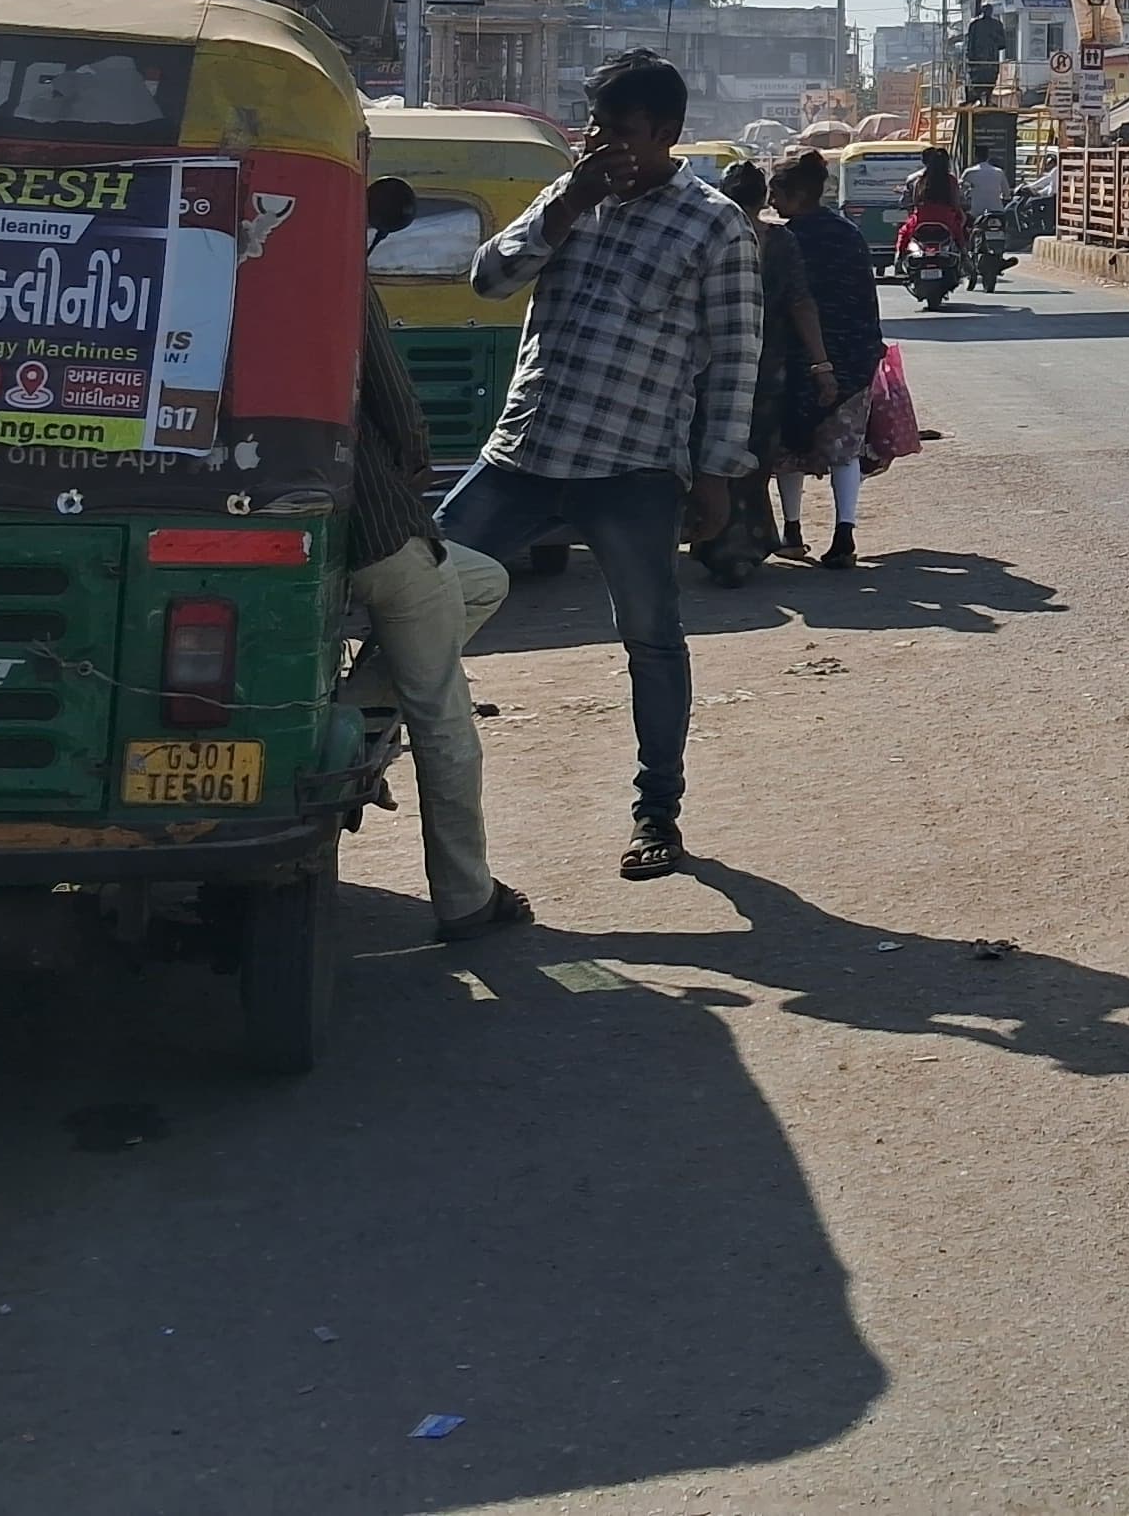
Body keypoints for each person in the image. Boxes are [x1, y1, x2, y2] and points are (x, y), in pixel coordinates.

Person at [441, 51, 761, 882]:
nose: (601, 144)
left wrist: (718, 476)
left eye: (618, 132)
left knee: (651, 640)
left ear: (665, 134)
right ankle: (364, 769)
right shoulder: (572, 194)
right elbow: (487, 280)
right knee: (420, 596)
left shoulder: (714, 224)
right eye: (595, 127)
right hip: (527, 450)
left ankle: (657, 814)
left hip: (634, 468)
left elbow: (733, 360)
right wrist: (566, 205)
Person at [345, 179, 526, 941]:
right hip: (372, 527)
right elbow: (395, 401)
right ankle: (464, 898)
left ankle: (350, 726)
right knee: (444, 714)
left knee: (481, 578)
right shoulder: (332, 277)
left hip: (293, 533)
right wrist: (413, 462)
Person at [713, 158, 837, 576]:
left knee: (714, 452)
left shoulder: (711, 237)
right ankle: (746, 538)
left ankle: (724, 537)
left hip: (711, 367)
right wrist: (822, 365)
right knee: (757, 456)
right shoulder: (781, 242)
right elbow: (803, 304)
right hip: (768, 367)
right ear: (762, 198)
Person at [768, 145, 885, 571]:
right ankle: (843, 536)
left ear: (795, 194)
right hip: (854, 358)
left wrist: (816, 362)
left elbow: (792, 304)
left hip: (801, 359)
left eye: (776, 193)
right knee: (844, 450)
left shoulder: (786, 240)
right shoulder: (849, 233)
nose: (770, 203)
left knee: (787, 448)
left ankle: (793, 531)